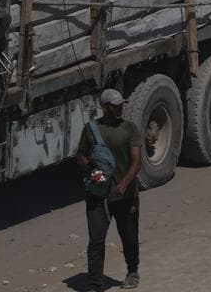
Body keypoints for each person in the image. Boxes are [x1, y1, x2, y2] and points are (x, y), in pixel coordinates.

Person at [75, 88, 142, 290]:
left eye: (121, 105)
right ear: (105, 107)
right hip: (98, 196)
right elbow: (80, 155)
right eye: (116, 106)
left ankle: (132, 271)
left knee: (129, 237)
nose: (120, 108)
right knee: (96, 241)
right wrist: (91, 171)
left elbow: (137, 161)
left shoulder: (129, 128)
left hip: (126, 196)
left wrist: (125, 182)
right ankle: (95, 283)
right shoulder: (91, 130)